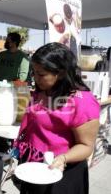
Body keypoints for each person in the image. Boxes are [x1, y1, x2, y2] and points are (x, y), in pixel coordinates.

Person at [13, 42, 100, 194]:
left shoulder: (82, 101)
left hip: (61, 174)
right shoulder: (43, 91)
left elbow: (86, 146)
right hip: (34, 169)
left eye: (41, 74)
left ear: (60, 73)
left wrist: (63, 158)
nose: (35, 78)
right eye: (34, 72)